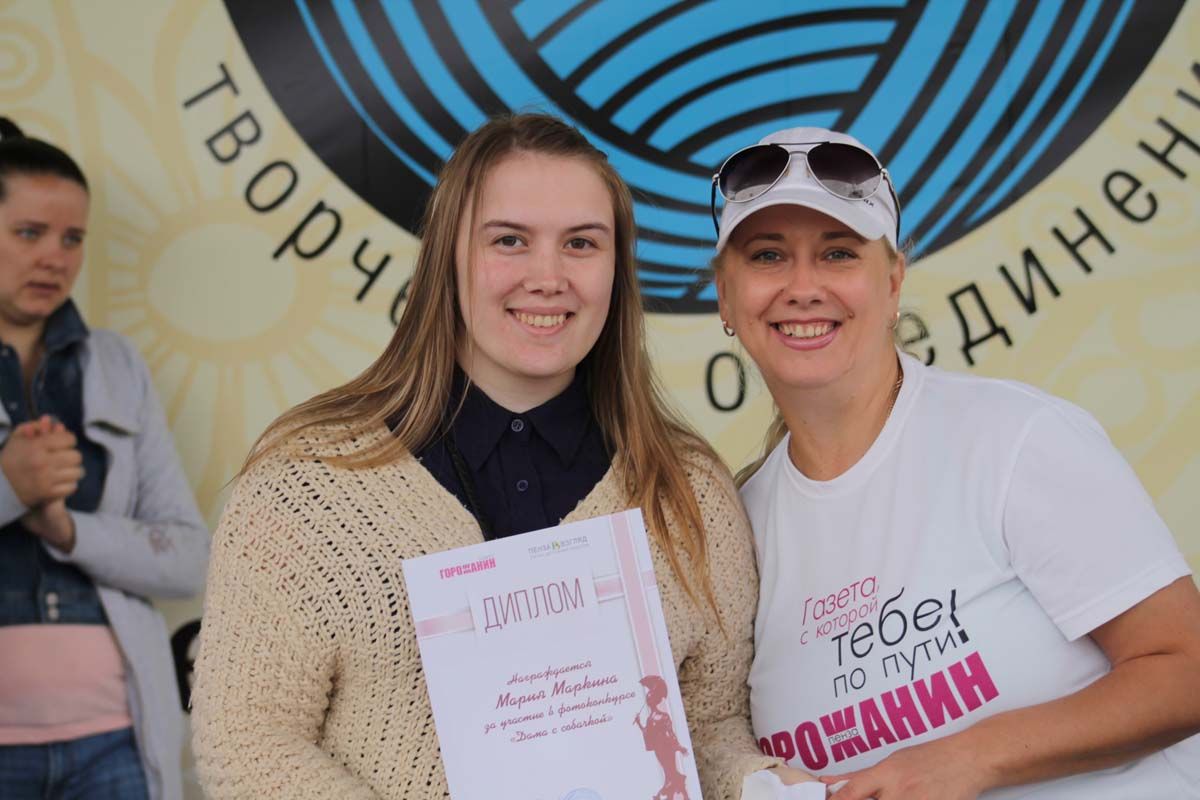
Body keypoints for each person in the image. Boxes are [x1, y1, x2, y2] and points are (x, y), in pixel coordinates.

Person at [191, 113, 801, 799]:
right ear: (447, 259)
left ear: (616, 269)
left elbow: (709, 725)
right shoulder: (308, 484)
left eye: (581, 243)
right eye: (510, 240)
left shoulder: (687, 492)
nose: (548, 276)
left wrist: (767, 786)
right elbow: (246, 742)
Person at [711, 126, 1200, 799]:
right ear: (725, 296)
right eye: (768, 256)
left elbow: (1185, 669)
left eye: (838, 253)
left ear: (892, 283)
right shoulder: (735, 534)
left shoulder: (1014, 439)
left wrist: (972, 758)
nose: (802, 287)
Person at [0, 119, 209, 799]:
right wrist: (10, 486)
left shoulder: (116, 364)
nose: (54, 258)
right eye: (29, 233)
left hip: (115, 742)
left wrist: (69, 531)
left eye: (73, 239)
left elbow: (189, 557)